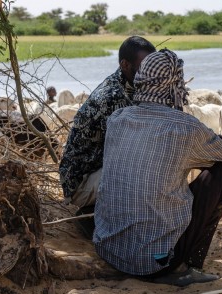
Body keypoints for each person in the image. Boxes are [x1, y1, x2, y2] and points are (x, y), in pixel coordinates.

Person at [94, 49, 222, 286]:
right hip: (153, 263)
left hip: (108, 249)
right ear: (177, 83)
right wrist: (217, 143)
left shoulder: (118, 118)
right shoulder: (185, 128)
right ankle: (187, 266)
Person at [59, 36, 156, 237]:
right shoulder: (113, 98)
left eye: (152, 66)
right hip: (81, 183)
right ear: (125, 64)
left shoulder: (130, 86)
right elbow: (132, 149)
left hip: (97, 171)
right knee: (141, 170)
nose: (150, 73)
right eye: (143, 66)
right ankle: (97, 220)